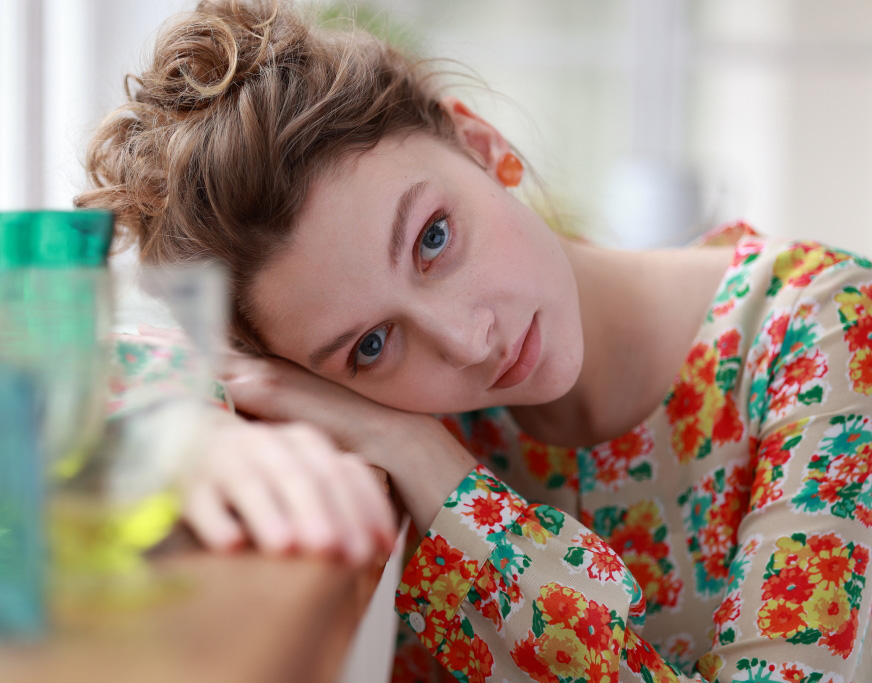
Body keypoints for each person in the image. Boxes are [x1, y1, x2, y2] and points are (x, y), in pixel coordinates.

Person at [76, 1, 872, 681]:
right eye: (373, 344)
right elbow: (66, 351)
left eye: (433, 238)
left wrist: (428, 462)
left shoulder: (824, 325)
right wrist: (201, 430)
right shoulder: (381, 405)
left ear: (482, 145)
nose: (466, 341)